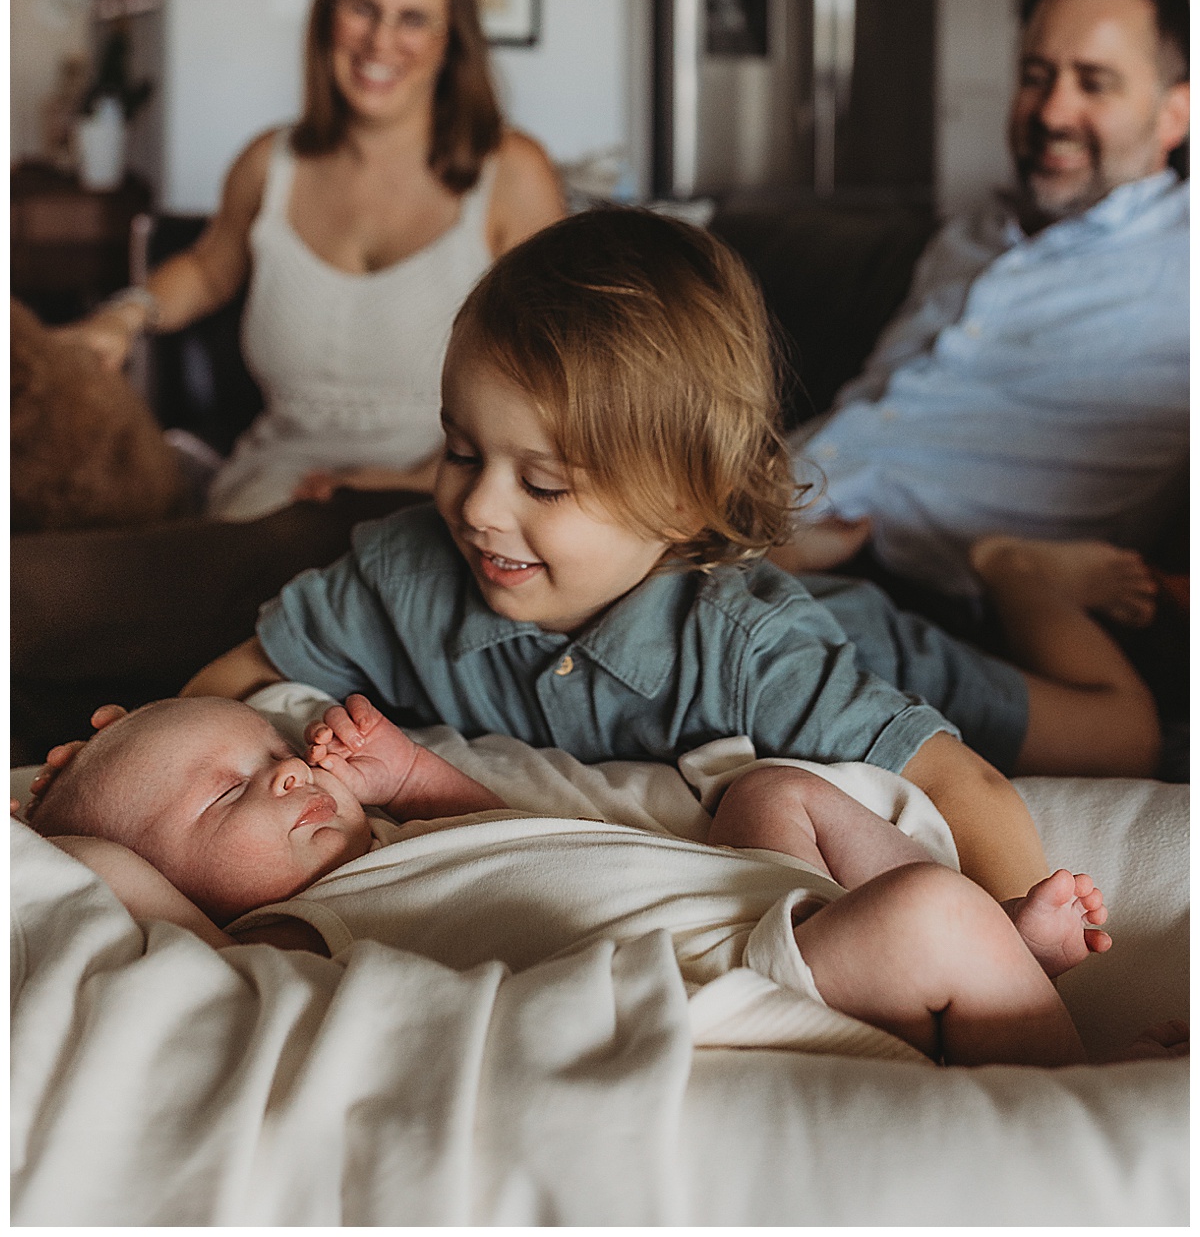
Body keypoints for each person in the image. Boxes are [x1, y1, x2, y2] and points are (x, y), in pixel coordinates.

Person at [175, 204, 1159, 941]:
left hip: (863, 641)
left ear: (683, 504)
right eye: (463, 449)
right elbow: (236, 673)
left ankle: (1018, 568)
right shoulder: (404, 575)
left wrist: (1015, 930)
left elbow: (965, 782)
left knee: (1125, 729)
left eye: (546, 484)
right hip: (741, 582)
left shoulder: (755, 653)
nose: (478, 508)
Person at [22, 691, 1146, 1070]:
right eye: (226, 803)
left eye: (269, 754)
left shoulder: (386, 842)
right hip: (748, 971)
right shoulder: (287, 934)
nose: (279, 782)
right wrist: (59, 812)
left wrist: (415, 773)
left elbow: (519, 832)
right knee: (926, 915)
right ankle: (1068, 1077)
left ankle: (997, 942)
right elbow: (119, 878)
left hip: (746, 882)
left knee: (773, 789)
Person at [63, 0, 565, 521]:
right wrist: (125, 314)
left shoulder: (513, 173)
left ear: (450, 40)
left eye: (413, 19)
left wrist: (412, 482)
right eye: (362, 8)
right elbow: (209, 268)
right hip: (270, 497)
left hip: (445, 508)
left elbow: (557, 376)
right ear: (327, 13)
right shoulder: (266, 163)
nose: (380, 42)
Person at [775, 0, 1189, 604]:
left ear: (1175, 113)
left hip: (932, 599)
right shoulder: (968, 237)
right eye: (1036, 75)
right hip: (765, 514)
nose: (1052, 113)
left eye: (1095, 83)